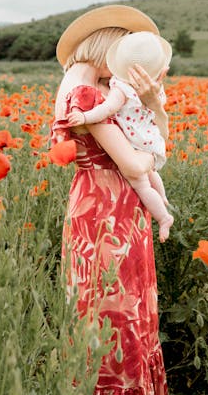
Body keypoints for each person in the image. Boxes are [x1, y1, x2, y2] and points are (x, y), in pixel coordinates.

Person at [51, 5, 169, 395]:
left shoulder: (98, 89)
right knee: (112, 314)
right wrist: (148, 162)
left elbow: (156, 145)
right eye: (125, 49)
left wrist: (155, 106)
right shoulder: (83, 94)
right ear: (107, 46)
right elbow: (138, 162)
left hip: (116, 208)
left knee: (117, 310)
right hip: (105, 216)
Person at [66, 31, 174, 242]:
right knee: (151, 176)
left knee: (144, 182)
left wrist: (84, 117)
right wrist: (153, 156)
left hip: (112, 196)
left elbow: (106, 110)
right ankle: (162, 201)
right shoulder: (150, 89)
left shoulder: (117, 88)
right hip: (109, 196)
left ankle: (163, 214)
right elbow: (162, 136)